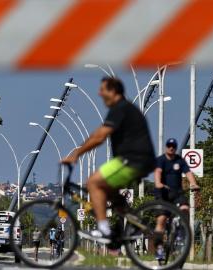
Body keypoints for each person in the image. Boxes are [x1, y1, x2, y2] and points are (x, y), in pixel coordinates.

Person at [61, 77, 156, 244]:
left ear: (113, 91)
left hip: (132, 159)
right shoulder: (123, 108)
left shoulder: (121, 108)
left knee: (93, 183)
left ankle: (104, 229)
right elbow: (99, 132)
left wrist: (77, 153)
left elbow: (100, 136)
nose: (99, 93)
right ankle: (129, 227)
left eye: (103, 89)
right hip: (139, 160)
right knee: (110, 193)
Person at [153, 138, 200, 259]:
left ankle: (179, 232)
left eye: (173, 146)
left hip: (177, 193)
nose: (171, 148)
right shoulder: (161, 160)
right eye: (169, 145)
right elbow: (158, 172)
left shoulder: (180, 160)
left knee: (185, 208)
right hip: (163, 194)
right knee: (161, 220)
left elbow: (188, 173)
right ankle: (159, 250)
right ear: (166, 147)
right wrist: (158, 183)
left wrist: (193, 184)